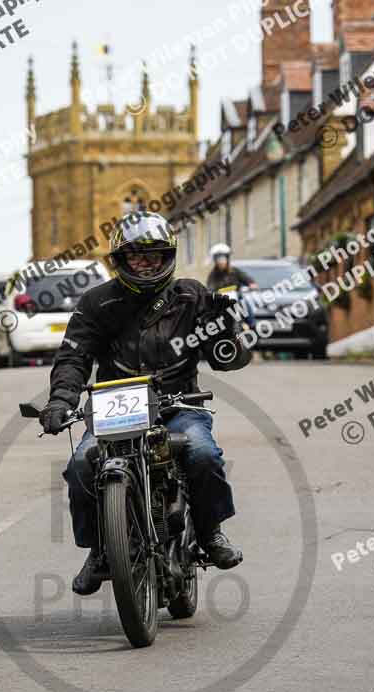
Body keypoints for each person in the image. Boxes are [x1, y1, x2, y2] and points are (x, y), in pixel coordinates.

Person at [39, 212, 251, 596]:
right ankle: (100, 551)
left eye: (153, 255)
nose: (145, 263)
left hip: (179, 403)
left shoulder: (193, 297)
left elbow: (226, 360)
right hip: (116, 406)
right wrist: (60, 401)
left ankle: (209, 533)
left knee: (203, 455)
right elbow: (73, 358)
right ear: (120, 260)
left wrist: (228, 330)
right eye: (136, 256)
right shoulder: (95, 303)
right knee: (80, 466)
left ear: (167, 257)